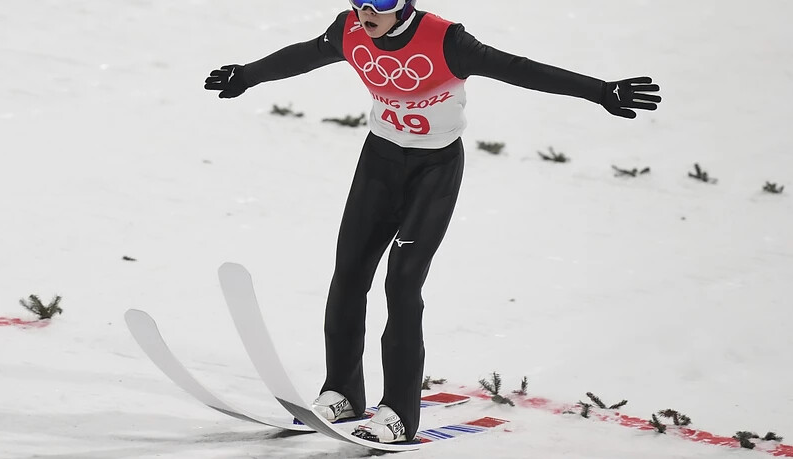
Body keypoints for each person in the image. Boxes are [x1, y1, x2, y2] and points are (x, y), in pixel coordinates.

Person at [205, 0, 661, 444]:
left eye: (380, 2)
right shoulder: (349, 31)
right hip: (378, 164)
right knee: (348, 275)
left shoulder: (447, 40)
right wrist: (246, 76)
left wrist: (600, 91)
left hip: (433, 172)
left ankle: (399, 413)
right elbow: (304, 55)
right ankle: (342, 391)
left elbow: (520, 68)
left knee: (402, 284)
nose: (368, 11)